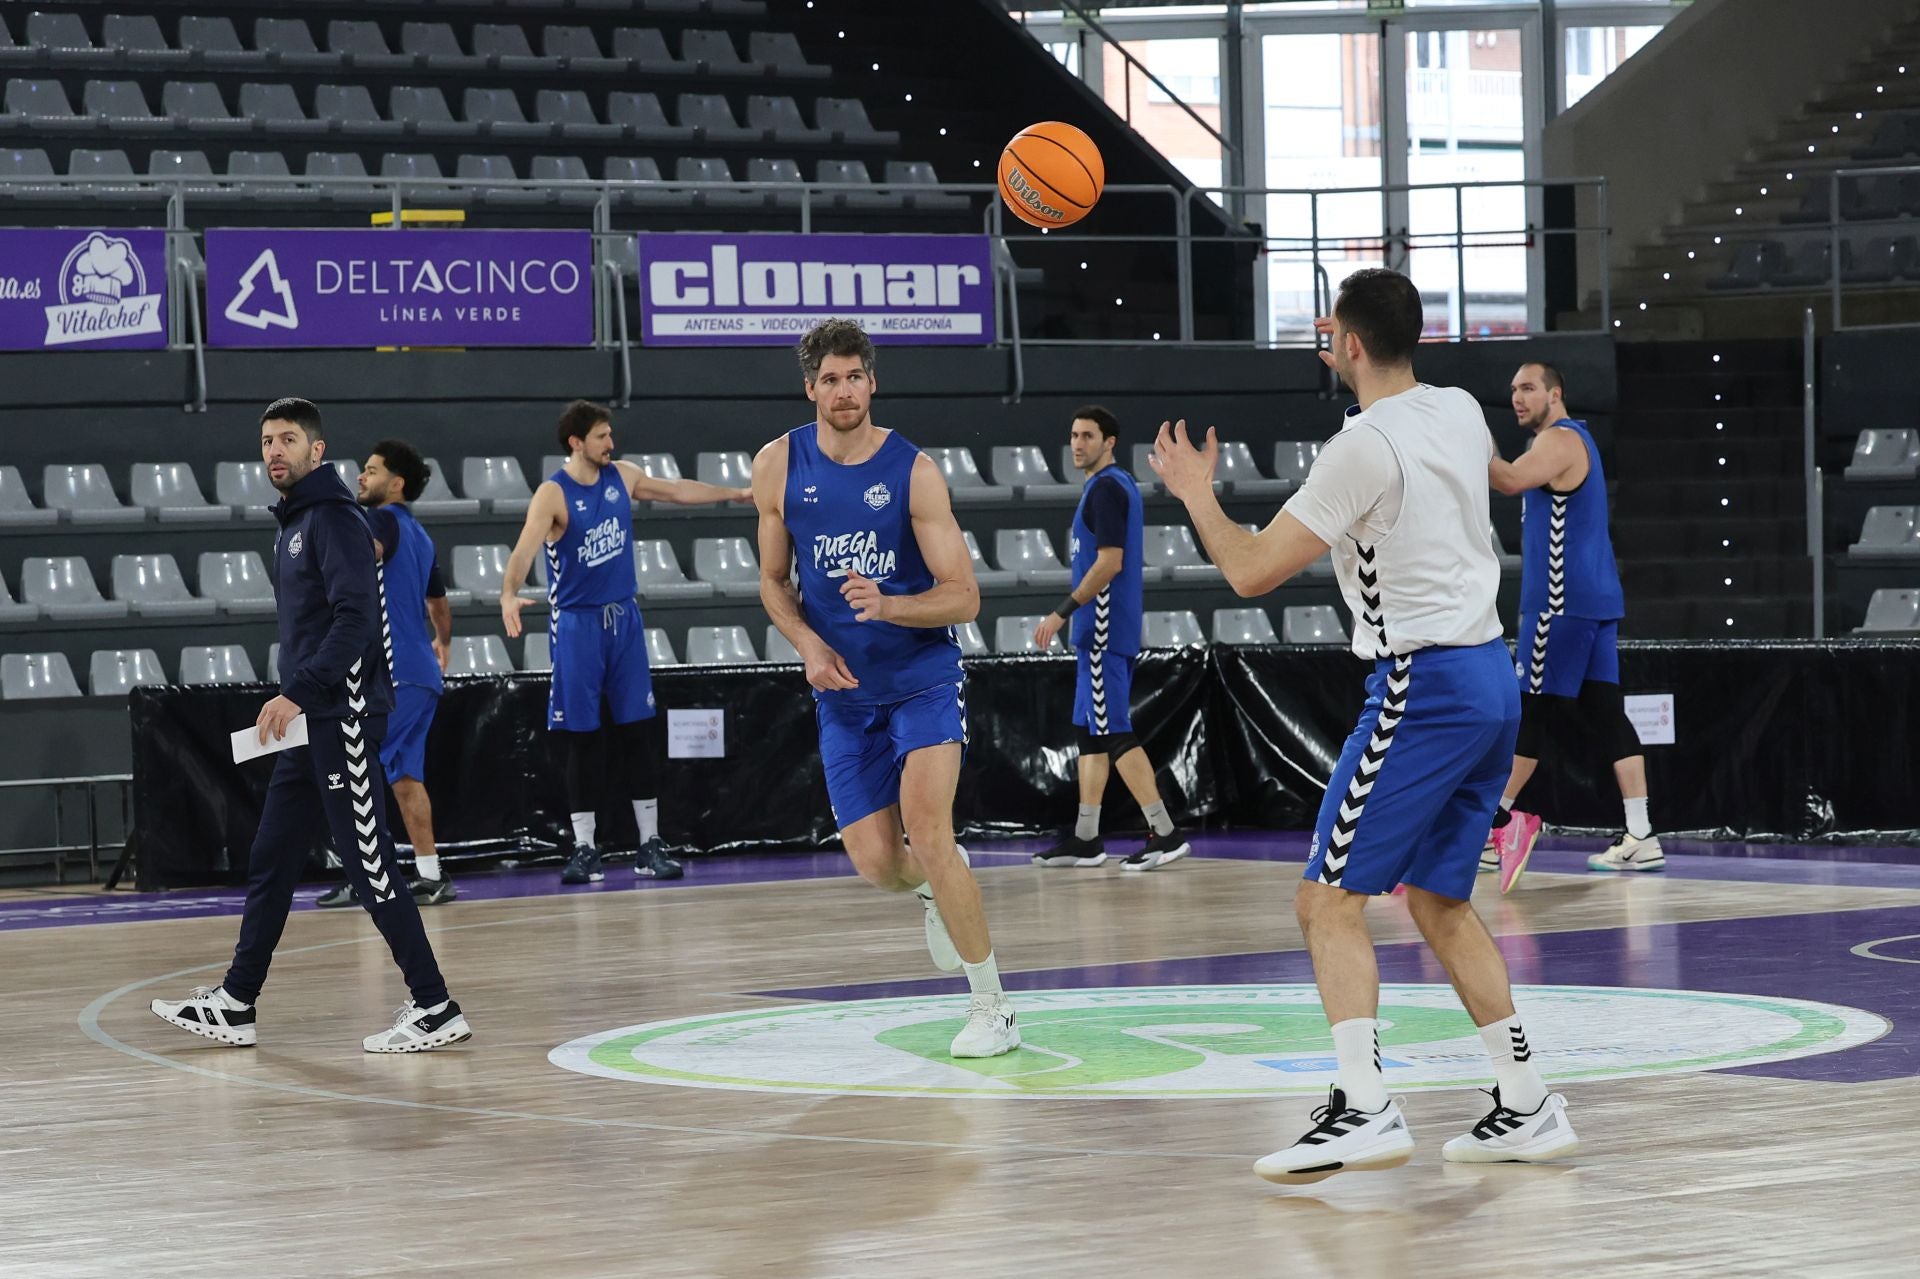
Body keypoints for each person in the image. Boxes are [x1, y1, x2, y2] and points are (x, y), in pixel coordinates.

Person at [1149, 270, 1578, 1183]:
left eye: (1331, 328)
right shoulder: (1459, 405)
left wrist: (1194, 491)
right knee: (1438, 899)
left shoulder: (1362, 444)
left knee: (1325, 900)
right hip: (1488, 676)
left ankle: (1364, 1105)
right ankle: (1529, 1101)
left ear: (1347, 341)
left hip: (1420, 684)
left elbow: (1253, 570)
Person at [150, 398, 470, 1053]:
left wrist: (296, 692)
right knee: (272, 854)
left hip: (342, 713)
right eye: (267, 439)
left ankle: (435, 1004)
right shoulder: (295, 520)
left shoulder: (333, 518)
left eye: (288, 439)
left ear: (316, 451)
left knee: (368, 861)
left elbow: (354, 621)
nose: (275, 450)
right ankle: (238, 1001)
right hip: (314, 715)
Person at [752, 319, 1018, 1059]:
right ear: (811, 388)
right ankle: (939, 885)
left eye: (855, 376)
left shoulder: (913, 471)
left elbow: (965, 597)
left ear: (873, 381)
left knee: (930, 831)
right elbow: (774, 582)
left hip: (921, 680)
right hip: (842, 693)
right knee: (878, 862)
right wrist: (806, 642)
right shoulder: (777, 466)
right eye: (830, 379)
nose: (844, 391)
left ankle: (992, 1004)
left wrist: (890, 604)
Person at [500, 400, 750, 884]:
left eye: (610, 435)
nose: (611, 444)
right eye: (601, 437)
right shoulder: (553, 494)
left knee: (638, 730)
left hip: (624, 621)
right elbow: (525, 547)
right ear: (576, 442)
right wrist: (509, 593)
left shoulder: (624, 476)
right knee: (582, 737)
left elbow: (677, 490)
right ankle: (585, 846)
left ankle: (649, 843)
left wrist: (735, 493)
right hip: (576, 625)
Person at [1486, 362, 1661, 886]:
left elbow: (1512, 480)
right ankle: (1641, 835)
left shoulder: (1558, 441)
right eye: (1513, 389)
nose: (1517, 397)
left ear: (1555, 393)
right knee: (1606, 712)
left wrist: (1464, 448)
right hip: (1594, 601)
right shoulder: (1564, 441)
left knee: (1531, 710)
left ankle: (1494, 830)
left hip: (1559, 604)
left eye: (1528, 388)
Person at [1032, 405, 1191, 872]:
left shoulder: (1107, 488)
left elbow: (1109, 563)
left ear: (1109, 442)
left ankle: (1165, 832)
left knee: (1113, 730)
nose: (1077, 443)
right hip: (1098, 632)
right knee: (1090, 734)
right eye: (1074, 435)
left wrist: (1061, 612)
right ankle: (1086, 838)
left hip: (1102, 629)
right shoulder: (1106, 487)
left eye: (1087, 435)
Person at [318, 439, 455, 908]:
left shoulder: (381, 520)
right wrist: (444, 642)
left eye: (372, 471)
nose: (362, 476)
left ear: (395, 484)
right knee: (404, 779)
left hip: (395, 676)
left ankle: (365, 878)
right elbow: (439, 603)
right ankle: (431, 875)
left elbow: (368, 548)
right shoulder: (420, 533)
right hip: (421, 674)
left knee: (357, 769)